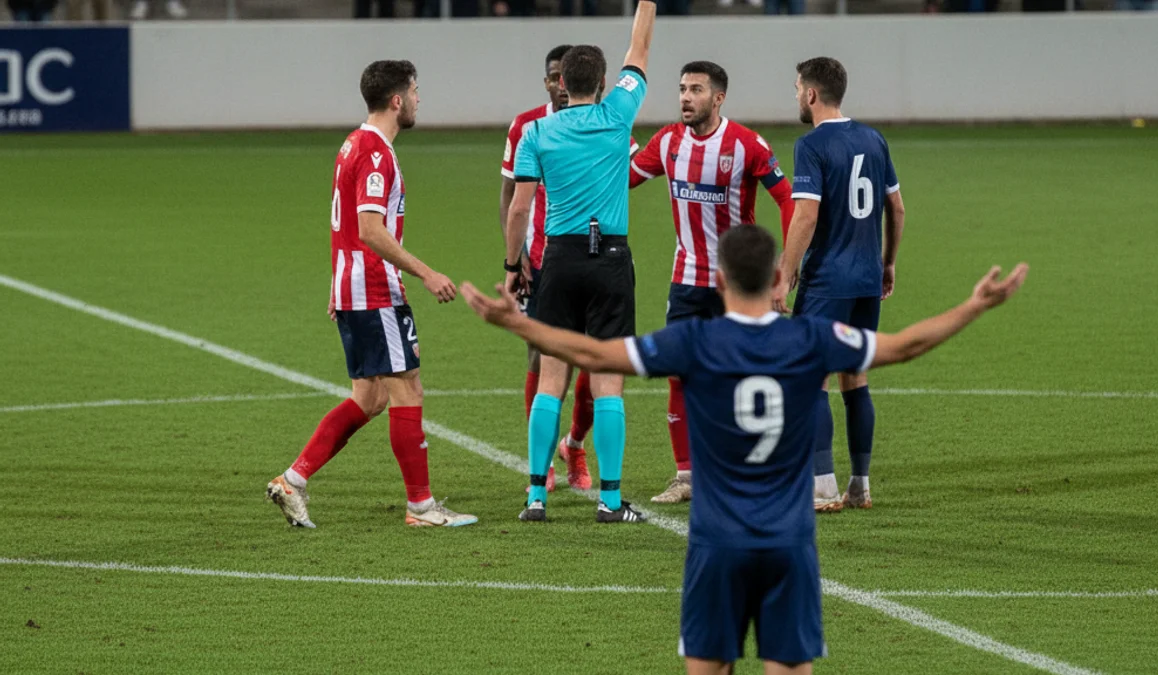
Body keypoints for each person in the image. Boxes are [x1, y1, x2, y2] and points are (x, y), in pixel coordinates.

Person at [461, 225, 1028, 675]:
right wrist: (974, 306)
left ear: (719, 280)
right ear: (779, 276)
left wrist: (519, 325)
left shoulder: (694, 341)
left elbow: (595, 355)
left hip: (718, 546)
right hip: (789, 546)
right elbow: (904, 347)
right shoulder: (811, 338)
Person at [266, 60, 476, 529]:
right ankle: (421, 506)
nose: (420, 99)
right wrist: (426, 273)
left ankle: (293, 480)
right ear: (397, 100)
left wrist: (337, 285)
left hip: (352, 288)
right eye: (416, 91)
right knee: (407, 387)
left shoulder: (352, 144)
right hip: (375, 290)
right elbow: (368, 228)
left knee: (370, 397)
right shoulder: (377, 153)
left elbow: (342, 225)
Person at [503, 0, 657, 524]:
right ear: (605, 82)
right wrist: (647, 3)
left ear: (562, 84)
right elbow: (640, 48)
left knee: (551, 378)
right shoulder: (618, 114)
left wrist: (512, 266)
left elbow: (519, 208)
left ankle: (535, 496)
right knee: (608, 379)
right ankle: (610, 501)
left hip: (559, 260)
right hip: (609, 258)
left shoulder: (536, 133)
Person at [629, 61, 795, 504]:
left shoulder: (747, 145)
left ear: (718, 98)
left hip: (737, 285)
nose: (686, 97)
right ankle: (686, 476)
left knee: (746, 375)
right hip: (686, 280)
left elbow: (788, 200)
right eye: (682, 88)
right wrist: (612, 134)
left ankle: (753, 468)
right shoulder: (667, 141)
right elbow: (625, 177)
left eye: (696, 90)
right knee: (679, 374)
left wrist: (785, 265)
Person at [774, 57, 907, 513]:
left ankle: (822, 486)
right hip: (867, 281)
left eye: (797, 88)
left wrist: (785, 273)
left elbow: (806, 216)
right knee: (855, 378)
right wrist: (888, 263)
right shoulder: (873, 139)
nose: (796, 95)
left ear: (811, 94)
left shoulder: (811, 145)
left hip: (828, 281)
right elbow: (898, 208)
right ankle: (860, 485)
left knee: (812, 377)